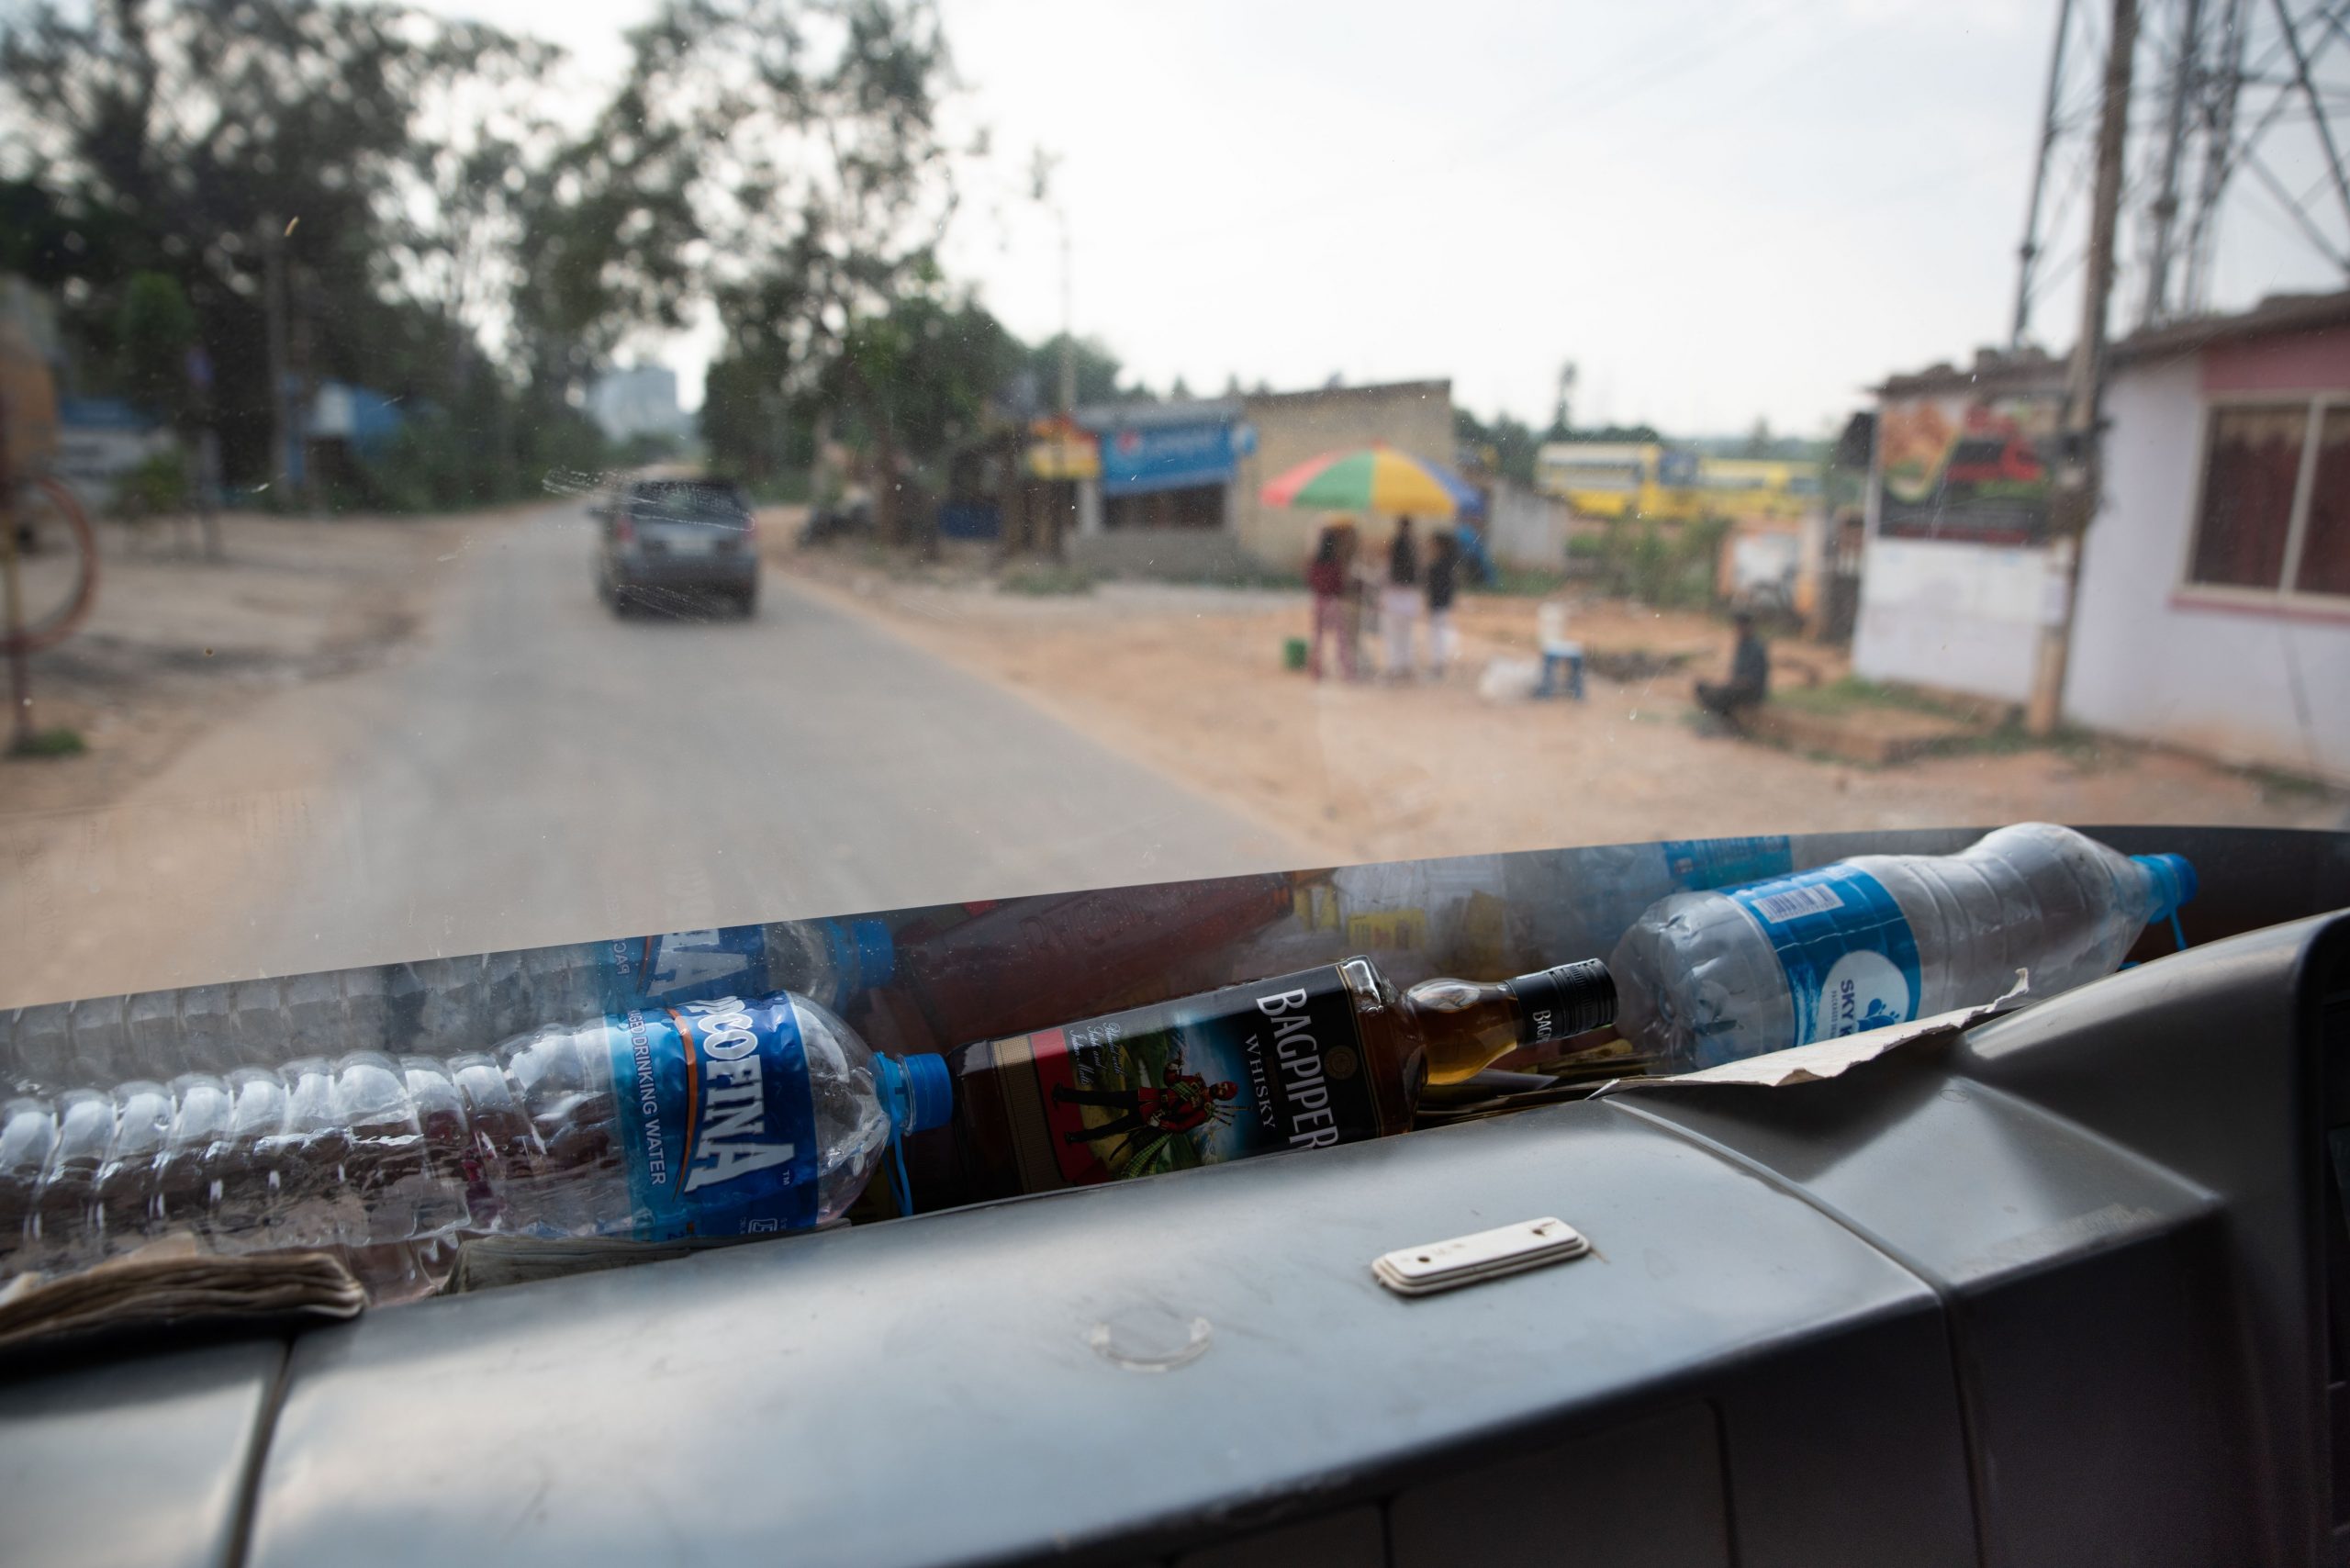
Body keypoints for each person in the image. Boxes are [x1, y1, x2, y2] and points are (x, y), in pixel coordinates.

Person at [1695, 610, 1770, 723]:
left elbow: (1752, 680)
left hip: (1750, 692)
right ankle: (1725, 721)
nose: (1737, 629)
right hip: (1737, 686)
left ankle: (1728, 723)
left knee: (1720, 696)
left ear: (1749, 626)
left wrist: (1728, 686)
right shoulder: (1742, 644)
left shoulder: (1757, 648)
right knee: (1701, 687)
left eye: (1740, 626)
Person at [1304, 523, 1356, 680]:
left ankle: (1317, 671)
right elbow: (1340, 585)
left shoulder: (1316, 562)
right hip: (1333, 602)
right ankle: (1347, 671)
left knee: (1318, 638)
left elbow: (1310, 580)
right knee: (1341, 639)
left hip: (1318, 600)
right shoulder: (1335, 563)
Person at [1382, 516, 1423, 679]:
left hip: (1396, 591)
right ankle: (1404, 665)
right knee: (1406, 631)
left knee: (1394, 632)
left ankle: (1396, 665)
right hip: (1409, 592)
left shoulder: (1397, 544)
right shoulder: (1413, 545)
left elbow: (1390, 567)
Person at [1426, 528, 1460, 678]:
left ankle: (1438, 665)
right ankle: (1438, 663)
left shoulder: (1440, 565)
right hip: (1441, 604)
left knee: (1437, 634)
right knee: (1439, 633)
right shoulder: (1446, 564)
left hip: (1439, 604)